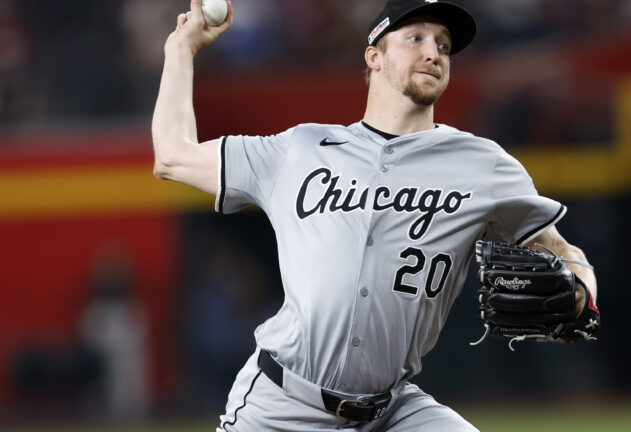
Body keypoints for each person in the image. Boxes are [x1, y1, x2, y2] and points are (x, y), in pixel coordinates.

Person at [152, 1, 598, 430]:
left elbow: (558, 248)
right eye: (415, 38)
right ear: (375, 56)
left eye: (443, 45)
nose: (433, 52)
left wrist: (580, 288)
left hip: (392, 410)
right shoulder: (299, 150)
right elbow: (172, 157)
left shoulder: (484, 164)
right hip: (281, 407)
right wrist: (180, 48)